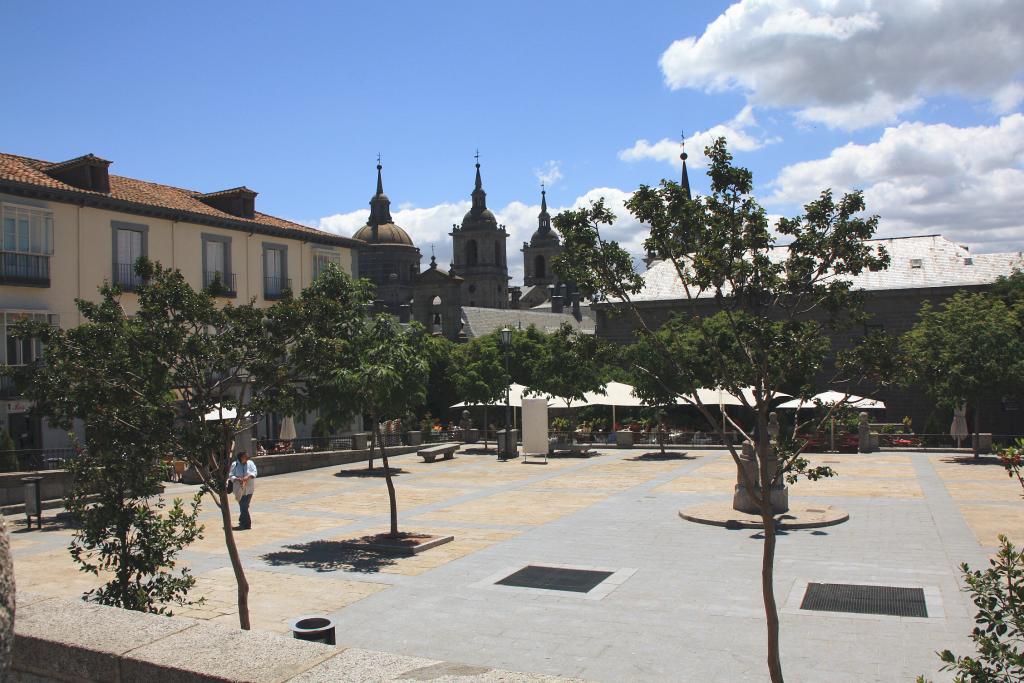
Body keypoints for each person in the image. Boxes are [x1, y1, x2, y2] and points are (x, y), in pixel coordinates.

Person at [228, 451, 257, 530]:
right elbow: (231, 475)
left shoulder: (250, 463)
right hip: (239, 489)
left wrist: (248, 477)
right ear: (241, 457)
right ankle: (244, 522)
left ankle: (246, 524)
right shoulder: (235, 464)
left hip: (249, 489)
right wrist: (237, 479)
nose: (247, 458)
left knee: (244, 506)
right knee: (244, 506)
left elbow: (254, 472)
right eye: (245, 456)